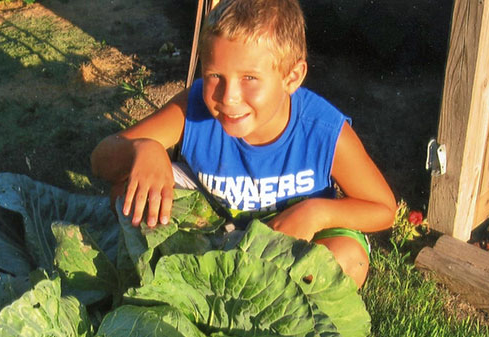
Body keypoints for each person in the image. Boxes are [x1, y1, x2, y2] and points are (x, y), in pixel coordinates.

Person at [90, 0, 397, 288]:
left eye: (249, 77)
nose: (228, 97)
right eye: (215, 76)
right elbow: (101, 161)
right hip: (211, 228)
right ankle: (196, 282)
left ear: (293, 77)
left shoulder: (324, 130)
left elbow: (384, 209)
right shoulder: (193, 107)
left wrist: (318, 212)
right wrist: (143, 149)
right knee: (126, 191)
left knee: (347, 256)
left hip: (291, 239)